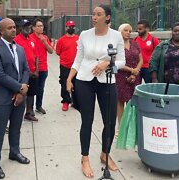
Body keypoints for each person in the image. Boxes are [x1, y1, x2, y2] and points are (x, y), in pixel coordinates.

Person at [66, 4, 125, 177]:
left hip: (107, 81)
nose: (94, 17)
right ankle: (84, 158)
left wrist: (108, 62)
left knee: (110, 121)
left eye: (99, 14)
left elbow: (121, 60)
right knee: (87, 120)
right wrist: (69, 78)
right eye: (93, 14)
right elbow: (78, 59)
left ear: (107, 17)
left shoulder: (116, 36)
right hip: (85, 80)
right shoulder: (85, 35)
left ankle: (104, 154)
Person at [0, 18, 30, 179]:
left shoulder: (19, 49)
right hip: (2, 98)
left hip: (19, 97)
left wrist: (22, 90)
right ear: (1, 31)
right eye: (9, 28)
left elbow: (26, 69)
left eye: (14, 27)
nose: (14, 30)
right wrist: (19, 87)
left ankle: (14, 151)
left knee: (16, 127)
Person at [115, 24, 143, 127]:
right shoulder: (116, 45)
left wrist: (136, 71)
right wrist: (131, 70)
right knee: (121, 101)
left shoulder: (135, 44)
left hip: (135, 76)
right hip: (121, 76)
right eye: (125, 30)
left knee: (133, 101)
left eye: (130, 31)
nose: (128, 33)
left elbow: (141, 60)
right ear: (120, 32)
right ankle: (121, 126)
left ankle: (132, 126)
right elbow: (115, 62)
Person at [14, 19, 39, 121]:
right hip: (23, 73)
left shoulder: (33, 40)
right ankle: (18, 113)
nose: (27, 28)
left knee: (31, 93)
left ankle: (28, 112)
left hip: (33, 72)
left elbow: (36, 56)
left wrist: (37, 70)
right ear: (20, 28)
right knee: (22, 92)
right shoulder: (16, 40)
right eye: (25, 26)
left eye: (29, 26)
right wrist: (27, 72)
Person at [30, 18, 54, 114]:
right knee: (31, 90)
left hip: (43, 68)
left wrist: (44, 41)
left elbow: (51, 51)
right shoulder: (30, 38)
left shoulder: (45, 37)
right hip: (33, 68)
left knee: (41, 88)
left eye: (42, 26)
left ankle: (39, 106)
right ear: (33, 28)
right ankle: (29, 108)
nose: (41, 28)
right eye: (39, 26)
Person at [55, 20, 79, 111]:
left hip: (76, 66)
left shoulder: (78, 38)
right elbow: (58, 52)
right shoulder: (61, 40)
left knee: (76, 84)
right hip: (65, 66)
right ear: (66, 28)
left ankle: (75, 102)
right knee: (64, 84)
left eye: (73, 26)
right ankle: (65, 101)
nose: (71, 28)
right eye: (69, 26)